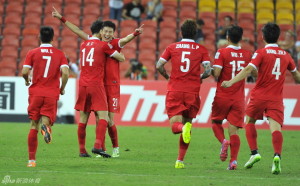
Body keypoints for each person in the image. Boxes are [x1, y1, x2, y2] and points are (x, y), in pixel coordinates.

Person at [52, 7, 143, 158]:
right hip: (98, 85)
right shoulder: (102, 45)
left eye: (110, 32)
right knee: (102, 118)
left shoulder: (97, 43)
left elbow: (125, 40)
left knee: (108, 120)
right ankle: (100, 148)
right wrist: (62, 18)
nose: (107, 34)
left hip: (107, 85)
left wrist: (134, 33)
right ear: (101, 31)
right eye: (105, 31)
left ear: (113, 32)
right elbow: (77, 30)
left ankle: (114, 148)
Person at [221, 23, 300, 174]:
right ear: (278, 37)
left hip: (259, 95)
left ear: (263, 37)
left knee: (249, 121)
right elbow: (296, 75)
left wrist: (231, 82)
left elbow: (249, 69)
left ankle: (254, 153)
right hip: (276, 97)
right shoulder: (286, 55)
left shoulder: (261, 53)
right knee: (275, 129)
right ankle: (277, 156)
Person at [156, 19, 212, 169]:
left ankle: (182, 129)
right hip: (192, 91)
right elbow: (208, 70)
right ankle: (179, 160)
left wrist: (168, 77)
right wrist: (199, 78)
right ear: (195, 33)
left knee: (176, 126)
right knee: (188, 124)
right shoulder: (201, 49)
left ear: (181, 32)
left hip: (175, 89)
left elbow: (159, 65)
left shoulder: (172, 47)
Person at [22, 26, 69, 167]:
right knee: (45, 121)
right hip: (51, 93)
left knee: (33, 126)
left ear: (39, 37)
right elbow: (66, 73)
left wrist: (26, 80)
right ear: (53, 37)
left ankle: (31, 161)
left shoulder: (32, 52)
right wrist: (62, 88)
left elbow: (25, 71)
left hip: (36, 92)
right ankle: (46, 127)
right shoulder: (60, 54)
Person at [211, 26, 255, 170]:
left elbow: (217, 73)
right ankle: (233, 161)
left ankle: (223, 141)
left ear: (228, 37)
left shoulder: (221, 52)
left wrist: (210, 70)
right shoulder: (247, 54)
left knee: (216, 122)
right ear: (240, 38)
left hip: (223, 94)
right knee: (234, 131)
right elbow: (254, 73)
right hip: (238, 98)